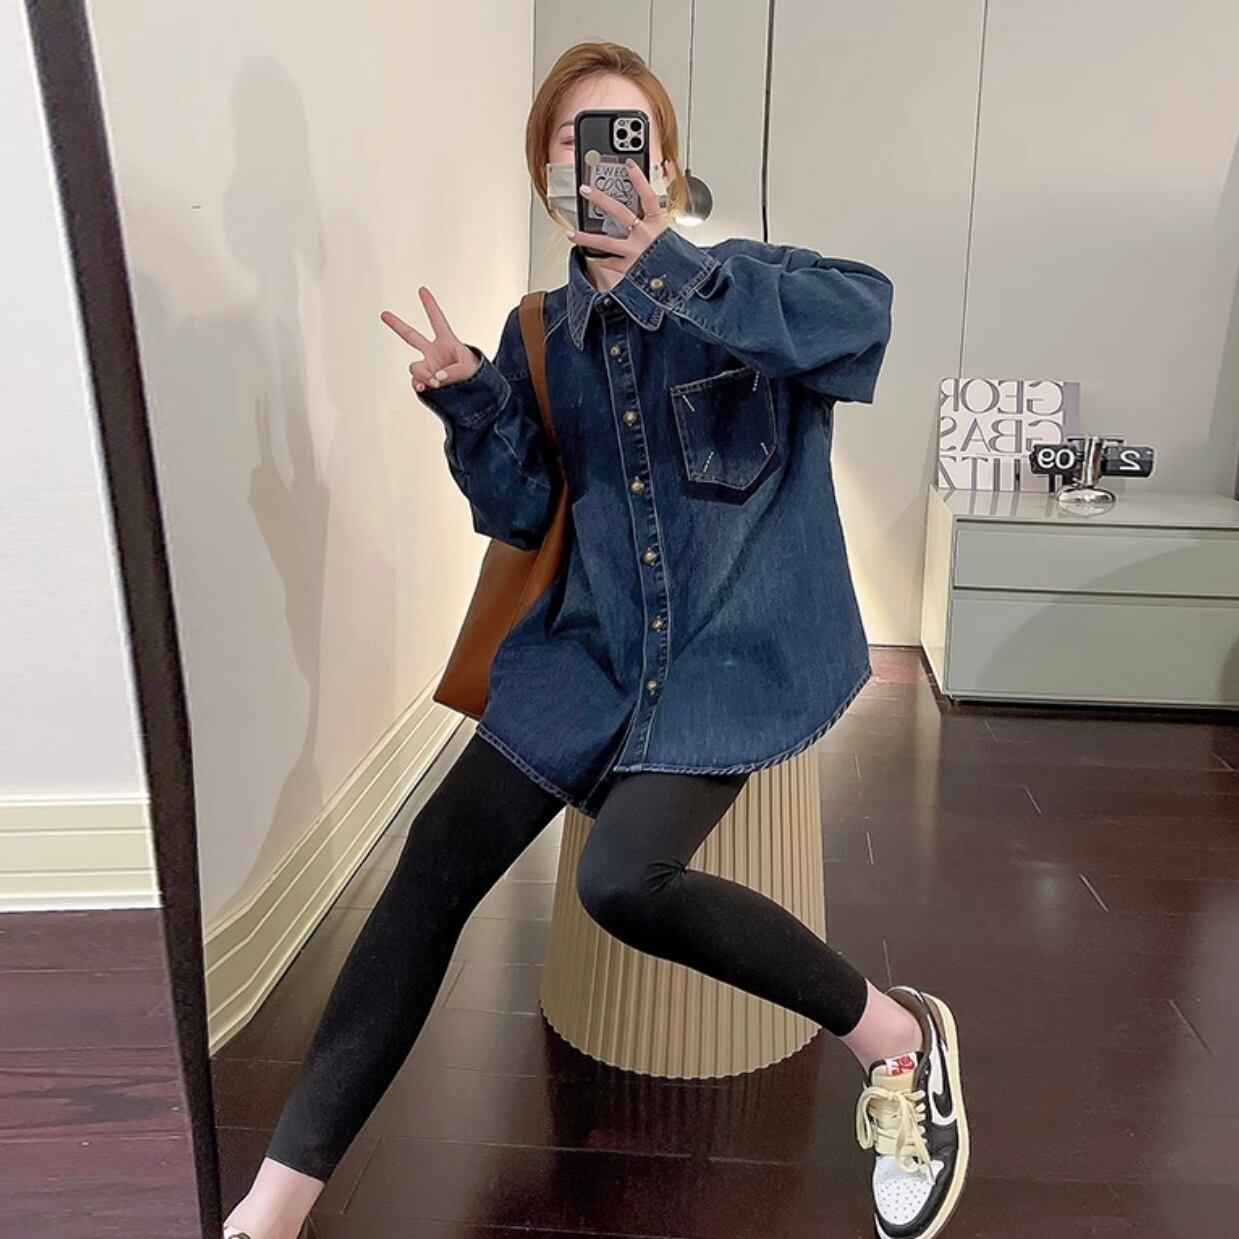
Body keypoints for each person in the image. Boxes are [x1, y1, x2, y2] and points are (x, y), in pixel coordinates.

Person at [223, 40, 968, 1239]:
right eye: (575, 143)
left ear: (663, 167)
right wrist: (471, 401)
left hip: (728, 657)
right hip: (590, 654)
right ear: (548, 179)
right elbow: (521, 513)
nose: (602, 160)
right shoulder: (539, 333)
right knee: (432, 863)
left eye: (625, 137)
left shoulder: (753, 283)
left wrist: (675, 273)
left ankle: (897, 1039)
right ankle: (273, 1207)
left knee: (622, 880)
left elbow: (863, 316)